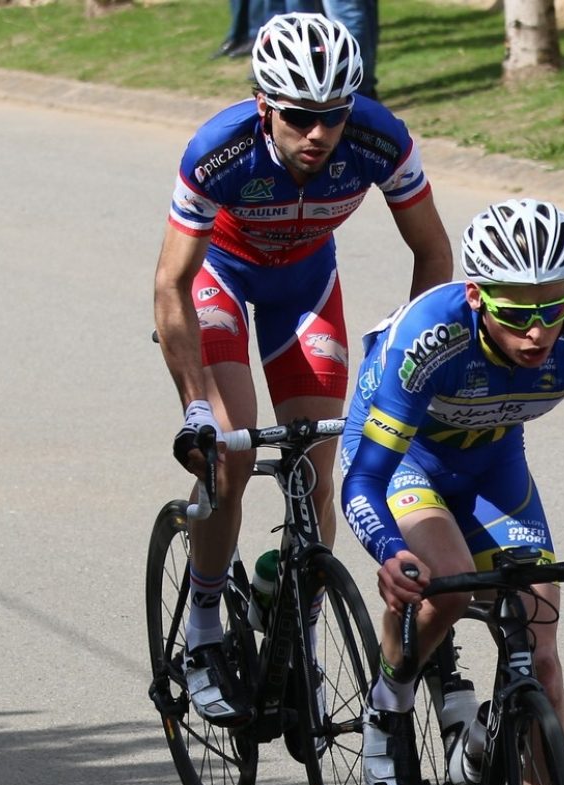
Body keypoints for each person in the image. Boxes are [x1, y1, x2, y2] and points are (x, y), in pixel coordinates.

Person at [156, 12, 453, 726]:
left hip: (306, 286)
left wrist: (413, 367)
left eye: (333, 116)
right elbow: (172, 282)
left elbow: (433, 253)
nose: (318, 134)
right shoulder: (219, 150)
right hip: (221, 279)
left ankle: (299, 636)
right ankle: (203, 627)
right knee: (229, 453)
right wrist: (195, 406)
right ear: (265, 107)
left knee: (319, 470)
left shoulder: (380, 139)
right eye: (297, 117)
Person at [338, 198, 564, 785]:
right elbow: (364, 480)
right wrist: (388, 551)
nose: (538, 332)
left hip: (494, 461)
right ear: (476, 296)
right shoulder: (430, 337)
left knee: (541, 657)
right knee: (447, 585)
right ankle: (387, 707)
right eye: (517, 315)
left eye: (554, 309)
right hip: (405, 460)